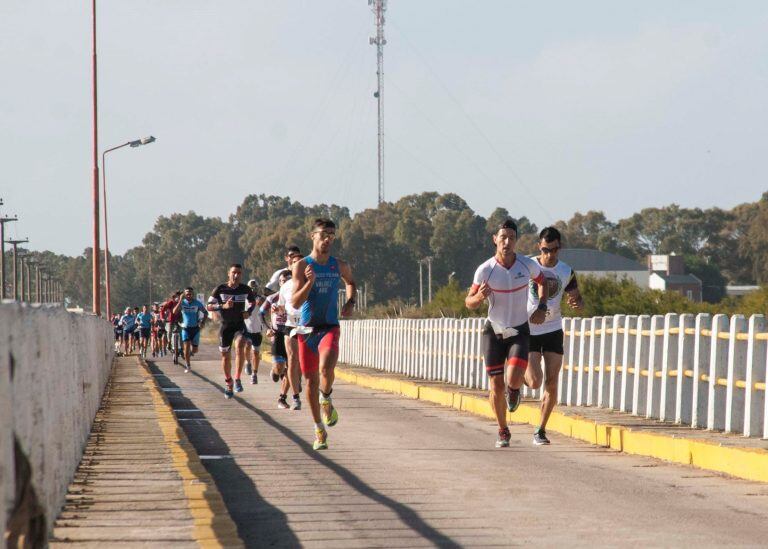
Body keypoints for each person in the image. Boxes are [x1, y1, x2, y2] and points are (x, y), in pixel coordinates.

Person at [465, 219, 548, 448]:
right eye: (503, 237)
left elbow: (543, 283)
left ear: (516, 240)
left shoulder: (526, 265)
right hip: (494, 331)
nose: (507, 242)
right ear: (495, 240)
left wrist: (541, 306)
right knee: (495, 385)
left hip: (520, 329)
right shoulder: (485, 270)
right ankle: (503, 430)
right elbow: (469, 302)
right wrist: (479, 297)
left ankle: (514, 391)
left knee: (512, 380)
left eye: (511, 238)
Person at [291, 219, 357, 450]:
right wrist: (310, 283)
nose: (328, 239)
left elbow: (351, 282)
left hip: (329, 326)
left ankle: (326, 397)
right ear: (313, 236)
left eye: (332, 235)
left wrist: (350, 301)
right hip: (307, 330)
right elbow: (295, 302)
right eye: (324, 234)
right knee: (309, 380)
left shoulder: (338, 265)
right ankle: (319, 428)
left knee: (326, 367)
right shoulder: (301, 266)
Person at [525, 227, 583, 445]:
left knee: (551, 382)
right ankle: (514, 379)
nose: (550, 255)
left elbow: (577, 297)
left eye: (554, 250)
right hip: (529, 329)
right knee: (534, 381)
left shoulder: (566, 270)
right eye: (546, 250)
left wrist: (577, 302)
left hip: (553, 329)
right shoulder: (528, 265)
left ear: (560, 248)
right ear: (539, 247)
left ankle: (540, 430)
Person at [207, 264, 256, 399]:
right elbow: (209, 306)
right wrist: (223, 305)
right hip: (226, 327)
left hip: (239, 325)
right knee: (225, 356)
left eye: (239, 273)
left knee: (240, 344)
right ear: (228, 273)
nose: (236, 275)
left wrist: (248, 312)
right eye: (234, 272)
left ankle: (238, 379)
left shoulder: (245, 289)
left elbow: (252, 303)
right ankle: (229, 382)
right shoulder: (220, 289)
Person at [261, 271, 292, 408]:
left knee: (292, 369)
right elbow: (261, 313)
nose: (284, 283)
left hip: (293, 333)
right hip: (278, 334)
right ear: (279, 283)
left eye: (288, 280)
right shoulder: (272, 298)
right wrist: (268, 328)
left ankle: (282, 398)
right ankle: (276, 371)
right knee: (280, 368)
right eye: (282, 281)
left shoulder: (298, 297)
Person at [278, 254, 304, 411]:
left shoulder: (311, 282)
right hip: (290, 326)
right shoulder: (285, 286)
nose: (297, 265)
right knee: (293, 360)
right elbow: (282, 307)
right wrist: (278, 310)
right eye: (294, 263)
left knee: (304, 363)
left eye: (300, 263)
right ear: (290, 266)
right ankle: (295, 398)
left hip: (308, 327)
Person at [174, 287, 208, 373]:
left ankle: (189, 354)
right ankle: (188, 365)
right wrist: (179, 301)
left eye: (190, 294)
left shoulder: (197, 303)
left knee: (194, 350)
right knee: (186, 346)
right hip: (185, 328)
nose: (189, 295)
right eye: (187, 294)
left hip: (195, 329)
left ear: (193, 294)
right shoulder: (182, 303)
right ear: (184, 295)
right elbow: (174, 311)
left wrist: (203, 322)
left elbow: (205, 312)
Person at [243, 279, 265, 383]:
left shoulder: (261, 299)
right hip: (246, 327)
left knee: (256, 352)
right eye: (251, 288)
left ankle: (254, 374)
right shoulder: (244, 299)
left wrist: (262, 303)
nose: (253, 290)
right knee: (247, 346)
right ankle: (247, 362)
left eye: (254, 288)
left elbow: (266, 308)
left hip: (257, 329)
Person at [161, 292, 182, 363]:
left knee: (183, 333)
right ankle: (169, 342)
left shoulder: (183, 302)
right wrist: (162, 317)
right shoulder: (171, 303)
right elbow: (162, 309)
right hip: (171, 320)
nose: (178, 298)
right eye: (177, 296)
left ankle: (182, 348)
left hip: (180, 321)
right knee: (169, 331)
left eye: (180, 296)